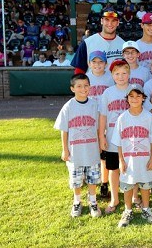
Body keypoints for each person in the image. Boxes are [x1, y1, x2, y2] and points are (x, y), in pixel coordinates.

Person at [111, 84, 152, 227]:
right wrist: (121, 160)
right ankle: (128, 210)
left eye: (138, 96)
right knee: (128, 186)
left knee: (145, 186)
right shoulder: (122, 118)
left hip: (145, 159)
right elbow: (119, 142)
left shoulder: (149, 117)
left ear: (143, 98)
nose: (135, 99)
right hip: (128, 159)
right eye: (131, 96)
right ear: (127, 98)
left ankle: (146, 208)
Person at [53, 74, 102, 218]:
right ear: (72, 88)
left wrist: (100, 143)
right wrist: (65, 149)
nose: (83, 89)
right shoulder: (68, 106)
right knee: (76, 180)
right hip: (75, 152)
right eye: (79, 86)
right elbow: (64, 130)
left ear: (90, 87)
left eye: (86, 85)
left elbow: (99, 127)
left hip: (91, 149)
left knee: (93, 178)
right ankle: (77, 201)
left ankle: (93, 201)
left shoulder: (94, 105)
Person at [99, 59, 130, 215]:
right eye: (117, 73)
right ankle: (114, 198)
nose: (121, 76)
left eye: (124, 73)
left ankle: (134, 198)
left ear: (129, 74)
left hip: (131, 138)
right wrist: (101, 136)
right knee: (113, 168)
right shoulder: (108, 93)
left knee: (131, 167)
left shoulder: (134, 90)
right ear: (112, 75)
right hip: (112, 137)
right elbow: (103, 116)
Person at [85, 51, 114, 198]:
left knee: (104, 155)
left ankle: (104, 183)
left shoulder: (110, 79)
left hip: (105, 121)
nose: (97, 65)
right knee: (91, 154)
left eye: (100, 62)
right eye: (94, 62)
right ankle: (91, 181)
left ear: (106, 64)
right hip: (89, 121)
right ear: (89, 64)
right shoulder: (85, 78)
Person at [72, 8, 125, 74]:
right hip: (93, 83)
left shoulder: (123, 44)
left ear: (117, 23)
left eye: (113, 20)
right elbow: (79, 71)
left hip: (116, 83)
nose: (110, 23)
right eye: (107, 20)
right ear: (101, 21)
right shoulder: (87, 43)